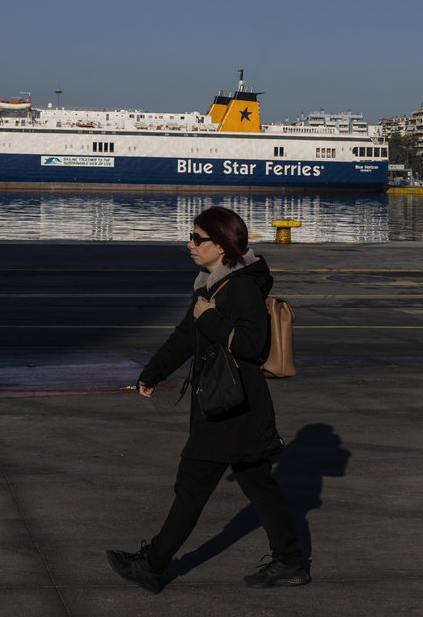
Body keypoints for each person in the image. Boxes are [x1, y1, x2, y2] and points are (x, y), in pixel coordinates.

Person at [106, 205, 309, 594]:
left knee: (192, 486)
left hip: (229, 407)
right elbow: (186, 334)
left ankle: (152, 565)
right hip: (234, 405)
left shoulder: (242, 286)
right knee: (259, 486)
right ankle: (289, 562)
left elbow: (252, 343)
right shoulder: (211, 283)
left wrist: (210, 320)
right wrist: (153, 371)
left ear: (222, 244)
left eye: (198, 239)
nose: (190, 244)